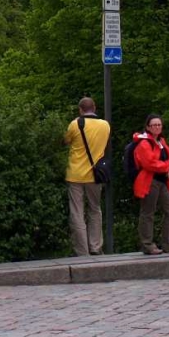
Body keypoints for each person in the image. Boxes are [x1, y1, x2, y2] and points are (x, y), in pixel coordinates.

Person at [63, 97, 111, 256]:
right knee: (95, 210)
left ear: (80, 109)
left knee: (77, 212)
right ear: (95, 107)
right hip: (95, 175)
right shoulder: (105, 125)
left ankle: (82, 251)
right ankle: (96, 247)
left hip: (75, 174)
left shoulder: (75, 124)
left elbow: (66, 140)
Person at [131, 114, 169, 255]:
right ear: (148, 127)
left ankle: (167, 242)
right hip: (149, 182)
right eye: (154, 125)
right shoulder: (144, 143)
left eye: (159, 125)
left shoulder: (161, 141)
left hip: (162, 182)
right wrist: (168, 166)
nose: (157, 127)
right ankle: (147, 244)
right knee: (148, 213)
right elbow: (149, 163)